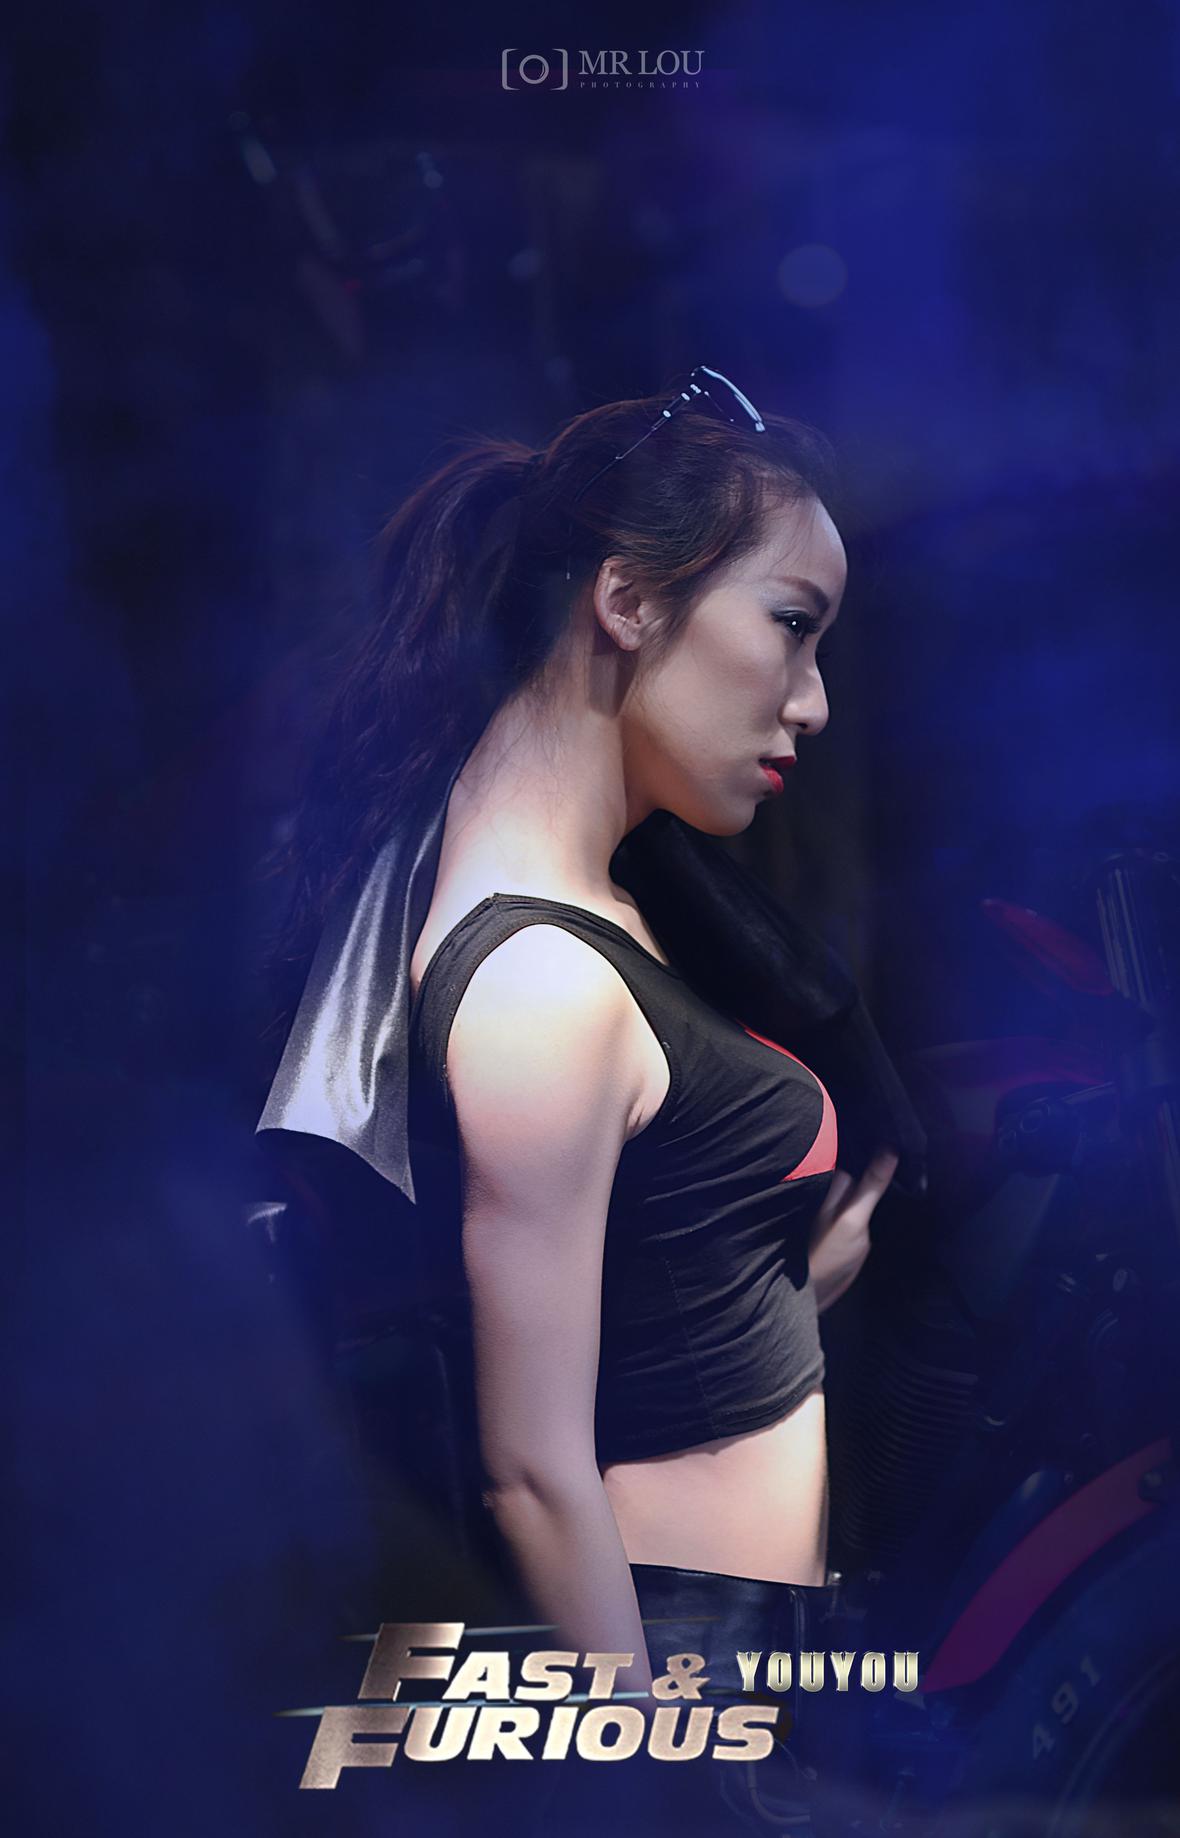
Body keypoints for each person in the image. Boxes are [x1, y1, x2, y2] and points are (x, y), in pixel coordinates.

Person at [257, 368, 925, 1832]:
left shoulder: (586, 916)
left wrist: (774, 1279)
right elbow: (535, 1474)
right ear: (627, 600)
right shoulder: (538, 986)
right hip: (675, 1691)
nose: (812, 700)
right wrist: (667, 1782)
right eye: (791, 625)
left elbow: (629, 1308)